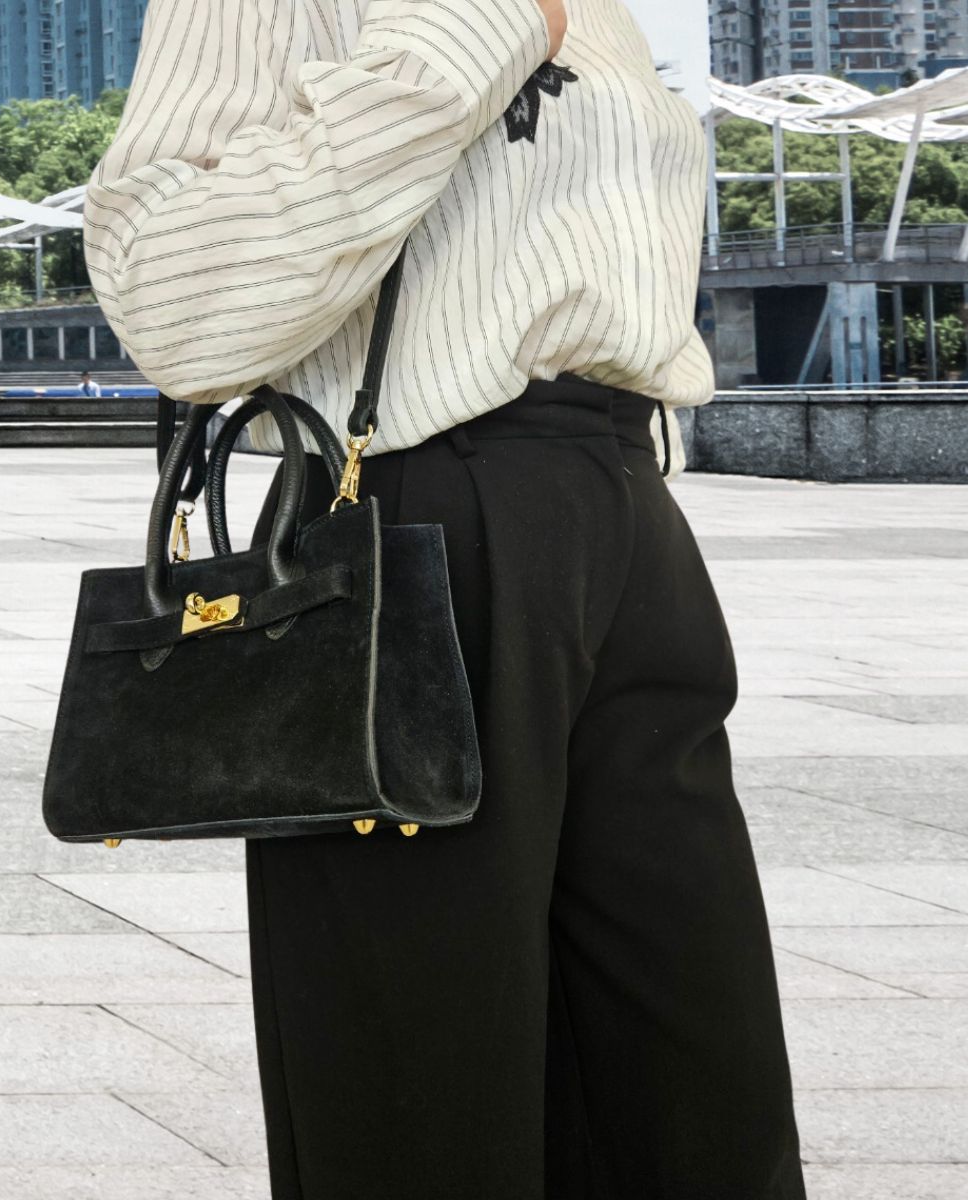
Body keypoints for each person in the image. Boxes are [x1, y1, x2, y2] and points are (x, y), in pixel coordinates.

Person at [83, 1, 807, 1197]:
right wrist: (480, 28)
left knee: (697, 1084)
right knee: (420, 1077)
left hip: (623, 505)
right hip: (421, 516)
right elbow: (176, 303)